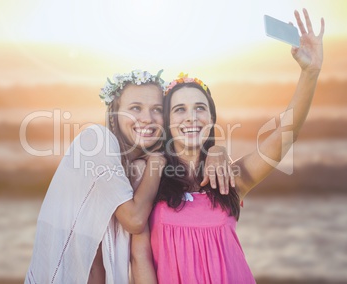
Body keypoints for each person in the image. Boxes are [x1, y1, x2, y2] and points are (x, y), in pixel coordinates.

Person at [131, 8, 324, 283]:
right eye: (179, 110)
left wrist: (310, 74)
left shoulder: (231, 179)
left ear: (211, 118)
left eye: (199, 108)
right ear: (166, 121)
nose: (191, 117)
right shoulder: (147, 174)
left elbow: (286, 133)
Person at [24, 70, 232, 284]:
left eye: (157, 110)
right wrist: (157, 162)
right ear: (114, 115)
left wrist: (216, 150)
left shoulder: (138, 168)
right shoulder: (97, 141)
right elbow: (134, 220)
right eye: (135, 108)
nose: (147, 118)